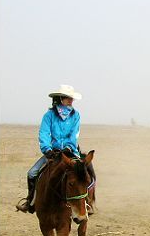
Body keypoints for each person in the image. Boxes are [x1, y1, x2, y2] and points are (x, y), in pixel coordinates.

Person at [15, 85, 96, 214]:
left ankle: (89, 202)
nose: (70, 100)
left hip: (71, 150)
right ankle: (31, 201)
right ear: (60, 98)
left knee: (90, 173)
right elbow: (44, 133)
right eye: (67, 98)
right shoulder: (49, 116)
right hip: (53, 152)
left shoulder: (76, 115)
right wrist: (47, 149)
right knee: (32, 173)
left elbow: (75, 134)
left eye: (71, 98)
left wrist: (69, 146)